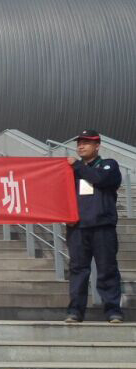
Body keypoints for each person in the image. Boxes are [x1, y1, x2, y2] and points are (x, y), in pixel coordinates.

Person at [64, 129, 124, 323]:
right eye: (79, 143)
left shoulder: (109, 165)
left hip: (102, 227)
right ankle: (75, 311)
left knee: (107, 269)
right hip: (77, 228)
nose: (81, 146)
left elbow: (100, 179)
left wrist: (77, 166)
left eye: (86, 143)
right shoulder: (69, 171)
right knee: (78, 270)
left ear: (97, 146)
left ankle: (113, 310)